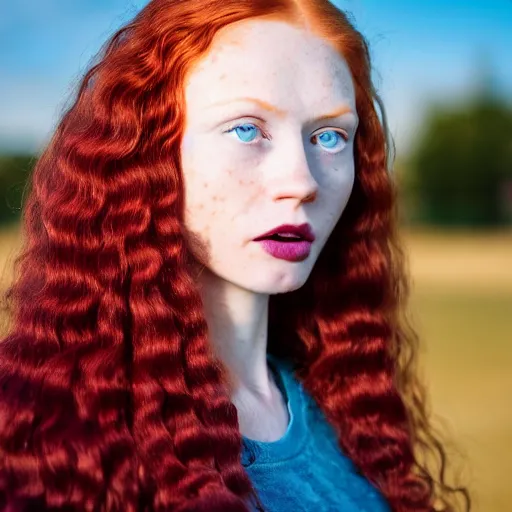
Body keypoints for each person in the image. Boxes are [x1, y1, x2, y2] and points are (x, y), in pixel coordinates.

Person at [0, 0, 471, 510]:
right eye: (247, 128)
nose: (302, 182)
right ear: (147, 152)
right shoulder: (45, 441)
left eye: (329, 137)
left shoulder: (345, 412)